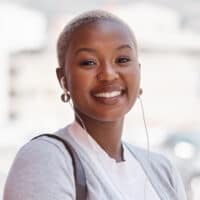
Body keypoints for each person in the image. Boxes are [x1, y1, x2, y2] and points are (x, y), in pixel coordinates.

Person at [3, 10, 186, 200]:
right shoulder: (44, 160)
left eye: (122, 60)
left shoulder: (163, 171)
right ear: (63, 79)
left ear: (138, 72)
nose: (108, 74)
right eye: (89, 62)